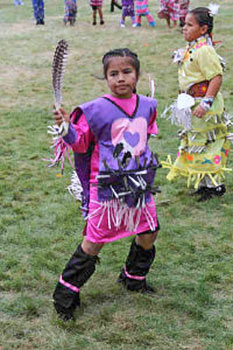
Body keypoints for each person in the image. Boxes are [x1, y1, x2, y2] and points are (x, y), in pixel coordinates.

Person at [52, 48, 161, 321]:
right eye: (113, 74)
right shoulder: (94, 109)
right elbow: (80, 143)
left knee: (149, 231)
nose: (120, 78)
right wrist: (67, 129)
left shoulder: (148, 104)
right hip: (107, 188)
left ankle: (133, 278)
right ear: (106, 78)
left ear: (136, 75)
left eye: (126, 72)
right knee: (94, 241)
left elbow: (143, 135)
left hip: (138, 184)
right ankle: (65, 296)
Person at [162, 7, 232, 201]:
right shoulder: (192, 48)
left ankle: (215, 185)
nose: (184, 28)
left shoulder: (205, 50)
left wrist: (207, 102)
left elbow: (216, 77)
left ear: (203, 29)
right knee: (196, 143)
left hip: (204, 107)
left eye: (189, 24)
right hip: (192, 105)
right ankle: (203, 182)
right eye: (184, 24)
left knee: (209, 143)